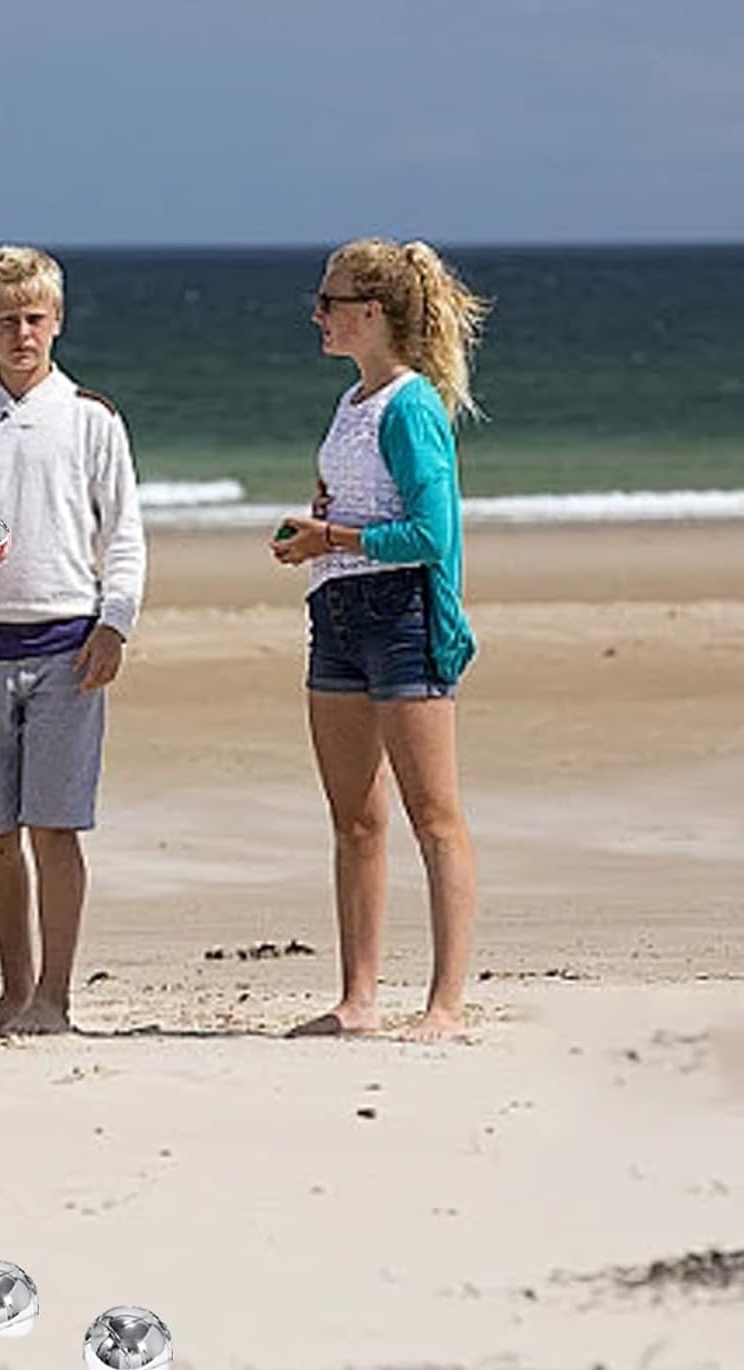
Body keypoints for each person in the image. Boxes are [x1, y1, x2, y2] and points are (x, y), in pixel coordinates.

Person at [0, 245, 147, 1035]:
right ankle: (13, 991)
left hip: (68, 644)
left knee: (55, 825)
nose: (22, 333)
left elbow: (124, 534)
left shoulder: (91, 418)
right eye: (7, 320)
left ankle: (55, 997)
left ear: (58, 321)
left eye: (35, 318)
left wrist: (115, 623)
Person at [270, 237, 490, 1043]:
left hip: (402, 617)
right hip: (336, 616)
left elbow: (431, 534)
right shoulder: (353, 401)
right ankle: (357, 998)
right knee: (355, 819)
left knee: (434, 815)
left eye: (328, 302)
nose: (317, 315)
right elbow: (360, 503)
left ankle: (445, 1005)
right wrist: (315, 532)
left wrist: (330, 536)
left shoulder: (411, 405)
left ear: (370, 312)